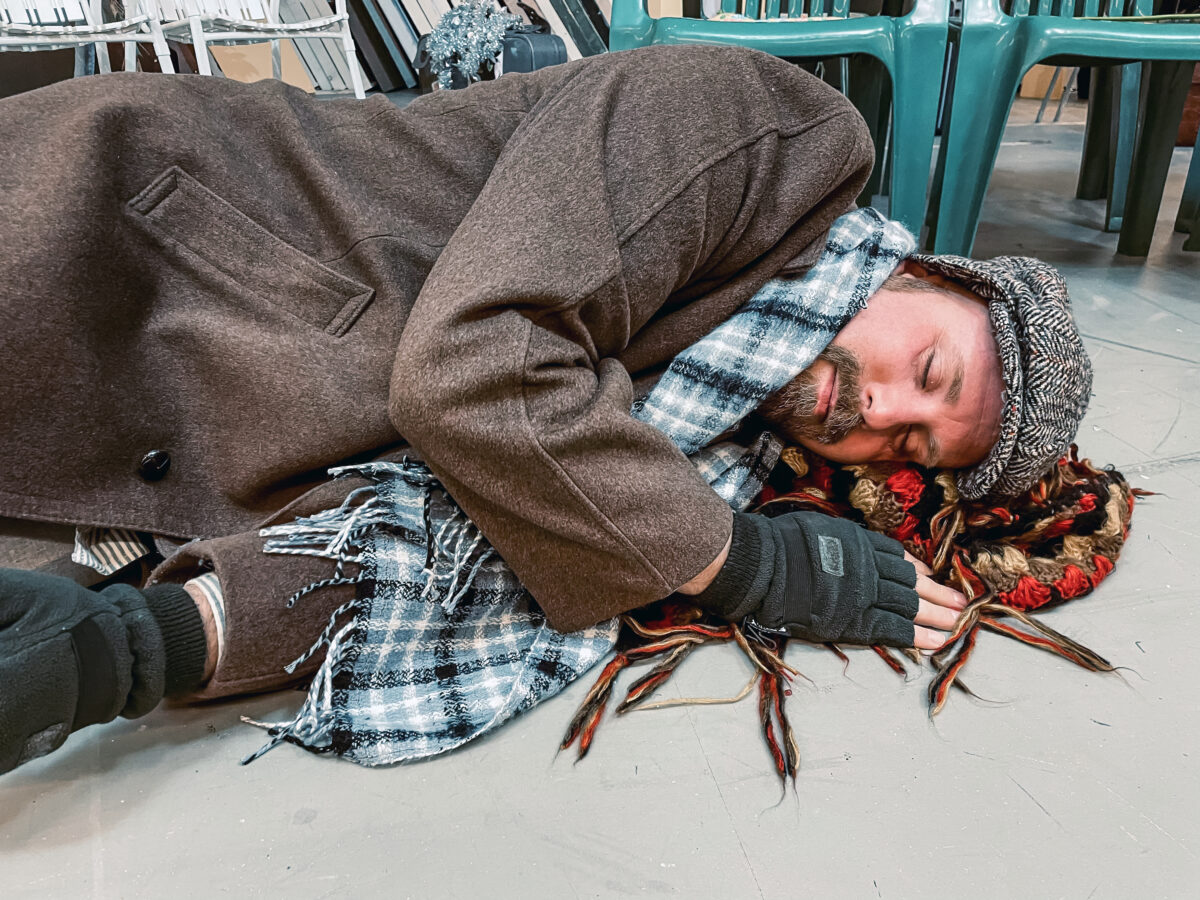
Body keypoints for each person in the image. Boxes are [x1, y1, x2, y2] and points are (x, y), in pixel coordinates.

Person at [0, 43, 1091, 775]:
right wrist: (745, 565)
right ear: (927, 273)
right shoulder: (770, 135)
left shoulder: (728, 424)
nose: (879, 409)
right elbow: (479, 372)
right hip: (118, 244)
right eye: (931, 371)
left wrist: (121, 651)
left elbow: (447, 550)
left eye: (911, 442)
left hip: (155, 446)